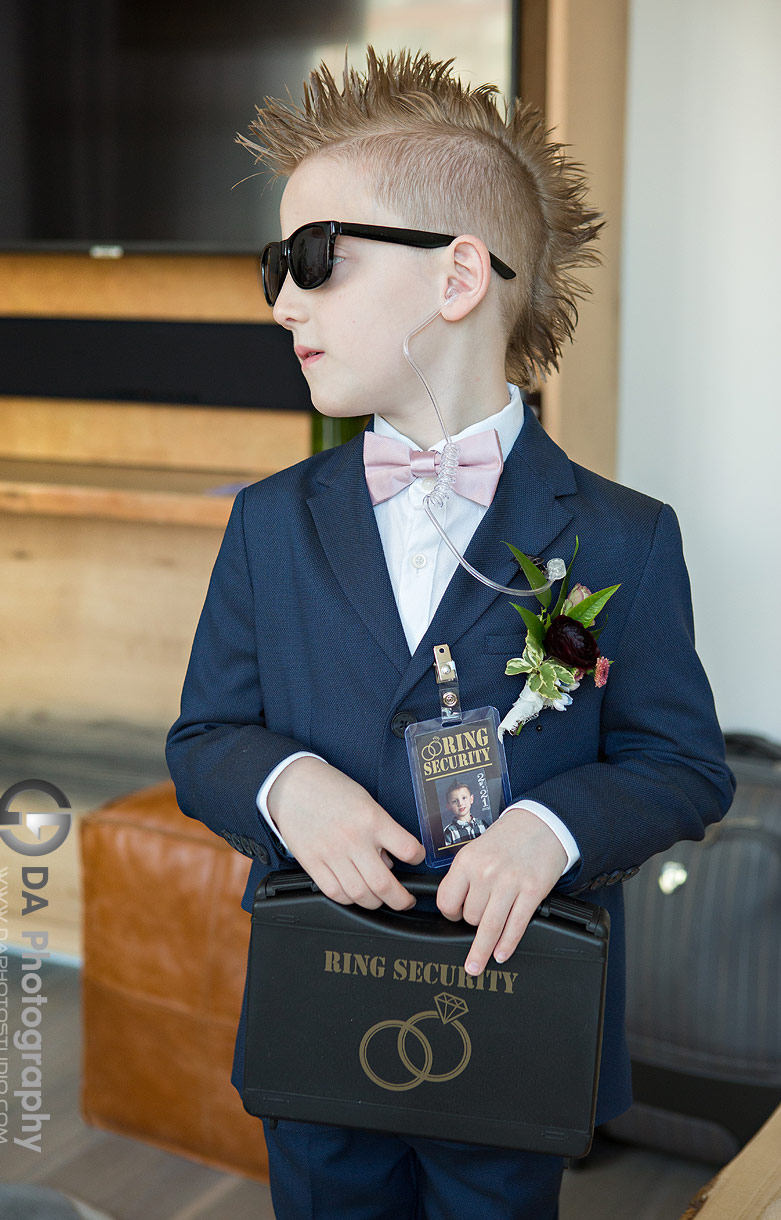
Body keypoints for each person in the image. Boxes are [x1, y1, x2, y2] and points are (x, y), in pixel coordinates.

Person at [165, 48, 734, 1220]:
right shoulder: (271, 523)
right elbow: (204, 732)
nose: (282, 299)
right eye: (276, 266)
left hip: (514, 1014)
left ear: (460, 275)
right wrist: (285, 784)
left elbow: (684, 765)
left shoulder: (625, 538)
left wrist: (549, 823)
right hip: (320, 1003)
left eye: (314, 257)